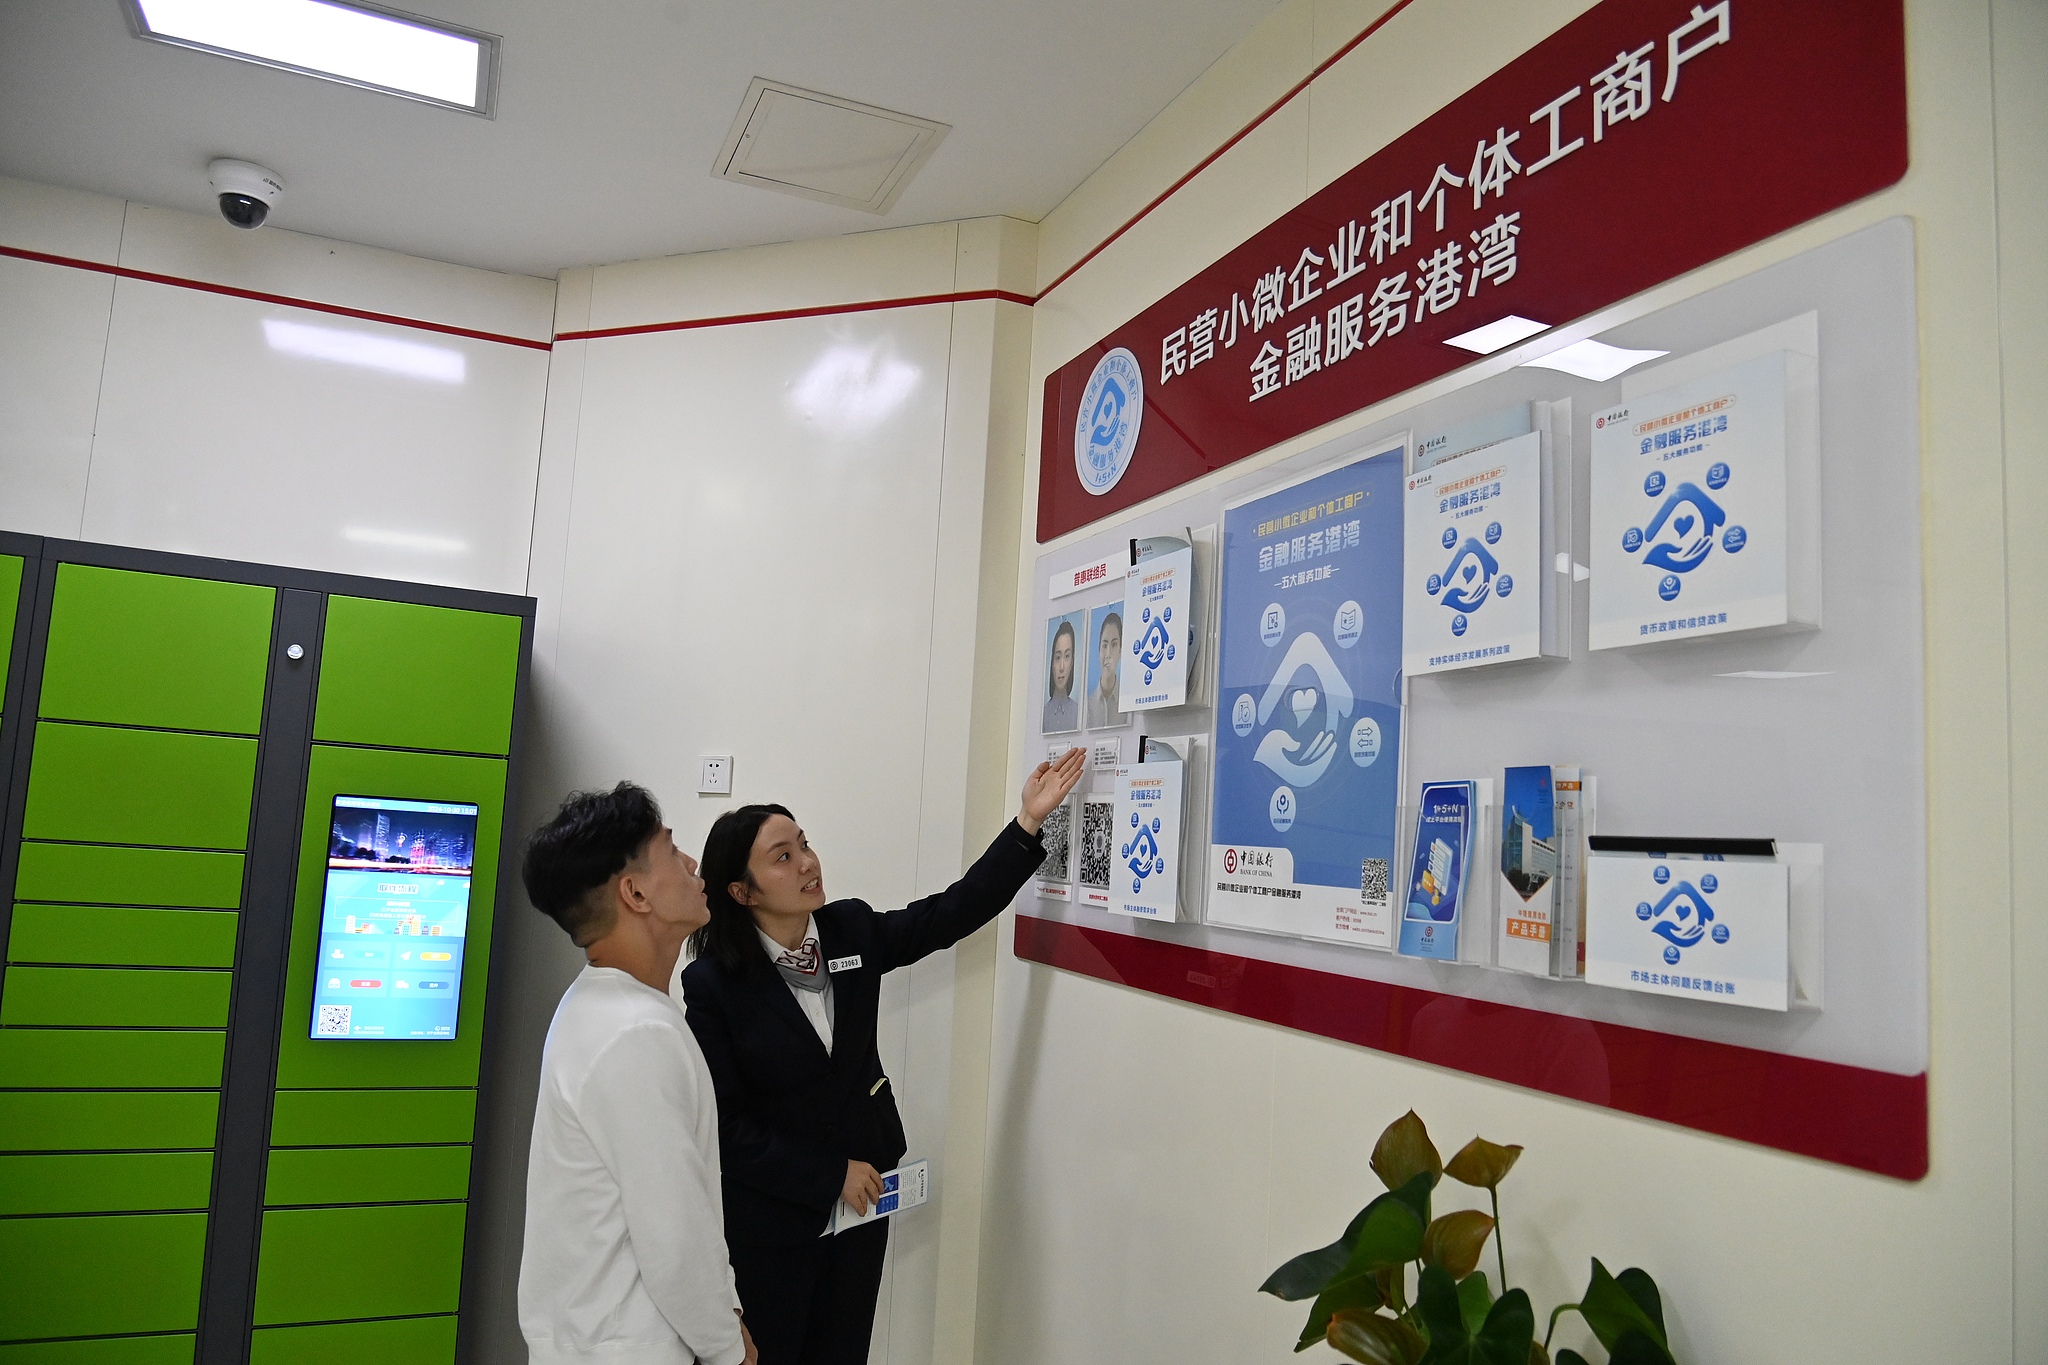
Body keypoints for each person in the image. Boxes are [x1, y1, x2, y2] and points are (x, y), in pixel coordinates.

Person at [678, 749, 1087, 1365]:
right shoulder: (714, 984)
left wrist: (1028, 823)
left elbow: (951, 912)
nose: (809, 863)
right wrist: (826, 1174)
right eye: (783, 857)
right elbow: (726, 1128)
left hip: (861, 1210)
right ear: (741, 890)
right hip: (774, 1225)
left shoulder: (849, 931)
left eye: (805, 844)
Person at [518, 782, 757, 1365]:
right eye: (672, 851)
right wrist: (730, 1347)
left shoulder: (601, 1008)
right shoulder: (635, 1034)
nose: (691, 862)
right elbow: (672, 1233)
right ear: (635, 893)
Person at [1085, 609, 1123, 729]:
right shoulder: (1087, 706)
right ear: (1098, 650)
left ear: (1120, 650)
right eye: (1104, 645)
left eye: (1114, 645)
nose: (1108, 654)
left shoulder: (1127, 704)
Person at [1041, 617, 1079, 733]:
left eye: (1067, 656)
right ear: (1052, 663)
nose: (1061, 667)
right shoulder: (1044, 713)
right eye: (1058, 657)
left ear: (1072, 662)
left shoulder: (1079, 712)